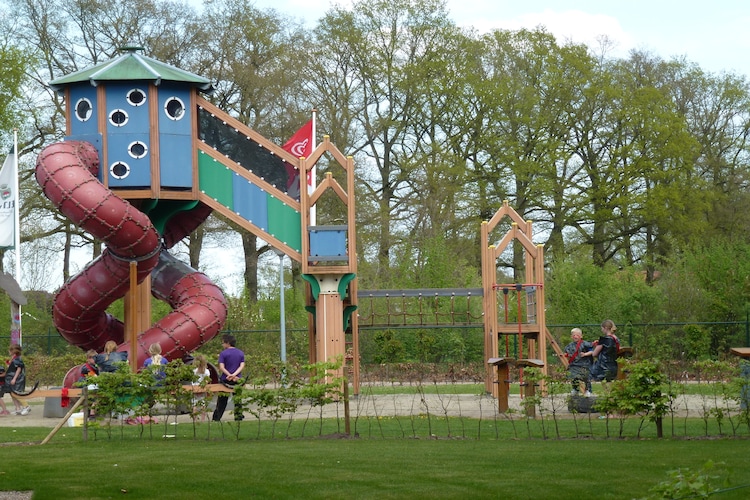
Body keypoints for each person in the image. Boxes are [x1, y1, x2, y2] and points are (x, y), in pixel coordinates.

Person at [212, 334, 245, 422]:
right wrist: (234, 375)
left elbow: (221, 367)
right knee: (237, 399)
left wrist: (229, 375)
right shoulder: (240, 353)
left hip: (225, 379)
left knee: (222, 400)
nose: (222, 345)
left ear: (228, 343)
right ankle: (238, 416)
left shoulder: (223, 354)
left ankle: (217, 417)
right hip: (237, 379)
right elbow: (241, 366)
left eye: (223, 343)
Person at [0, 344, 30, 416]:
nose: (8, 351)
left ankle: (26, 406)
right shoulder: (14, 359)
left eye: (10, 350)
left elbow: (19, 369)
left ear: (13, 351)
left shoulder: (17, 359)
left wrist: (14, 379)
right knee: (12, 393)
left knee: (16, 393)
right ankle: (18, 408)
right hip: (11, 378)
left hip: (16, 379)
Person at [563, 328, 594, 397]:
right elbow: (567, 353)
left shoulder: (585, 344)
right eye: (574, 335)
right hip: (574, 364)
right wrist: (567, 356)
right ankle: (575, 389)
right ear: (571, 336)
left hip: (584, 364)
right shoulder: (569, 346)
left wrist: (585, 354)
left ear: (581, 336)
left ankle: (588, 390)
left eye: (577, 335)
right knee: (573, 376)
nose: (575, 336)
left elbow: (592, 351)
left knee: (586, 377)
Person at [191, 354, 211, 422]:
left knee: (194, 405)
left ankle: (195, 420)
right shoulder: (206, 371)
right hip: (202, 389)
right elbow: (206, 381)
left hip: (194, 389)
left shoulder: (194, 371)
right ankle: (203, 420)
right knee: (203, 405)